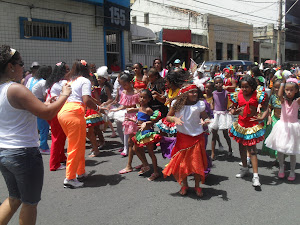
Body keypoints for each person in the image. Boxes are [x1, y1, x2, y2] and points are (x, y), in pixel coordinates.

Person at [0, 45, 71, 225]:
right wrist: (64, 95)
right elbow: (47, 114)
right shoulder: (15, 88)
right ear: (10, 66)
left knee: (14, 198)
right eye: (20, 63)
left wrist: (47, 102)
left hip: (4, 151)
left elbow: (23, 111)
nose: (23, 68)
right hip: (23, 153)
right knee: (30, 203)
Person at [57, 59, 105, 188]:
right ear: (86, 69)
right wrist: (99, 108)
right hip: (74, 114)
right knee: (75, 147)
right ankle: (70, 178)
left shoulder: (70, 81)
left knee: (78, 145)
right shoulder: (85, 81)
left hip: (64, 112)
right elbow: (86, 100)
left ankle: (81, 172)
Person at [163, 84, 210, 197]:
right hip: (183, 137)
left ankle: (197, 186)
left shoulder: (200, 104)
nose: (194, 94)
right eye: (191, 92)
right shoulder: (177, 105)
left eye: (195, 92)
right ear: (185, 94)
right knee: (183, 164)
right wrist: (174, 118)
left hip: (197, 137)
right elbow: (167, 117)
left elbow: (205, 116)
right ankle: (184, 185)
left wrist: (206, 121)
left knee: (196, 164)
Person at [229, 75, 268, 187]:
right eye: (242, 87)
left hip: (252, 125)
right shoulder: (238, 94)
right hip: (241, 124)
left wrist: (262, 117)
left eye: (247, 87)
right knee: (241, 147)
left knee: (252, 151)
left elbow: (266, 108)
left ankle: (255, 176)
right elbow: (232, 108)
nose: (244, 89)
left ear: (252, 87)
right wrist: (234, 112)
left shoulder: (259, 95)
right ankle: (245, 168)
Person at [265, 78, 300, 181]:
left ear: (296, 91)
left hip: (293, 127)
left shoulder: (297, 101)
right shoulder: (283, 100)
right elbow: (280, 94)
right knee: (280, 150)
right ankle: (281, 167)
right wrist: (283, 83)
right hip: (282, 127)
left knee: (292, 151)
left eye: (291, 90)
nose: (289, 92)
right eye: (287, 90)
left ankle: (292, 170)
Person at [109, 73, 139, 173]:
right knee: (134, 142)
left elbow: (141, 107)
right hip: (128, 118)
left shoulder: (136, 93)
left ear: (130, 82)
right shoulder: (124, 92)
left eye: (124, 84)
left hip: (135, 119)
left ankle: (130, 165)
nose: (123, 87)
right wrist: (115, 109)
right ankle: (142, 163)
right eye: (121, 85)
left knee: (133, 142)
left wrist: (133, 109)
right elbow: (123, 106)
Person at [131, 89, 161, 181]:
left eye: (144, 97)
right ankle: (145, 165)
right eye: (140, 97)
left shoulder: (148, 109)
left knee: (151, 152)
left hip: (148, 133)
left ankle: (156, 172)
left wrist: (147, 123)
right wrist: (133, 121)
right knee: (135, 149)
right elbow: (140, 119)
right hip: (141, 133)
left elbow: (154, 120)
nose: (142, 99)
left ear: (148, 99)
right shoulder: (140, 108)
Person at [45, 62, 70, 171]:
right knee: (57, 138)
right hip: (57, 112)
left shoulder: (51, 82)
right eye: (67, 69)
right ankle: (54, 164)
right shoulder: (63, 83)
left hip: (52, 112)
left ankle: (60, 158)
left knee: (60, 137)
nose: (69, 71)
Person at [26, 65, 52, 155]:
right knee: (44, 128)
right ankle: (43, 147)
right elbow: (45, 96)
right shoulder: (43, 82)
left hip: (29, 104)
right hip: (39, 103)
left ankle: (32, 145)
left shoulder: (31, 79)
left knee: (33, 126)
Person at [208, 77, 233, 160]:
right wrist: (211, 106)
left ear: (223, 83)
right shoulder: (213, 93)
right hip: (216, 114)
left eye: (220, 82)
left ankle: (230, 148)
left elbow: (230, 102)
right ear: (214, 84)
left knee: (225, 134)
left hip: (224, 114)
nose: (218, 84)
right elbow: (213, 101)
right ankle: (213, 153)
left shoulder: (226, 92)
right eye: (216, 83)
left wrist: (231, 107)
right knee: (214, 135)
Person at [261, 79, 282, 160]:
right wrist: (269, 117)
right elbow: (269, 108)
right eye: (275, 87)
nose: (277, 89)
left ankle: (280, 158)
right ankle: (277, 157)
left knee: (282, 138)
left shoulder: (285, 98)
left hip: (283, 120)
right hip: (274, 119)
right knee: (273, 138)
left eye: (279, 87)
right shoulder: (272, 97)